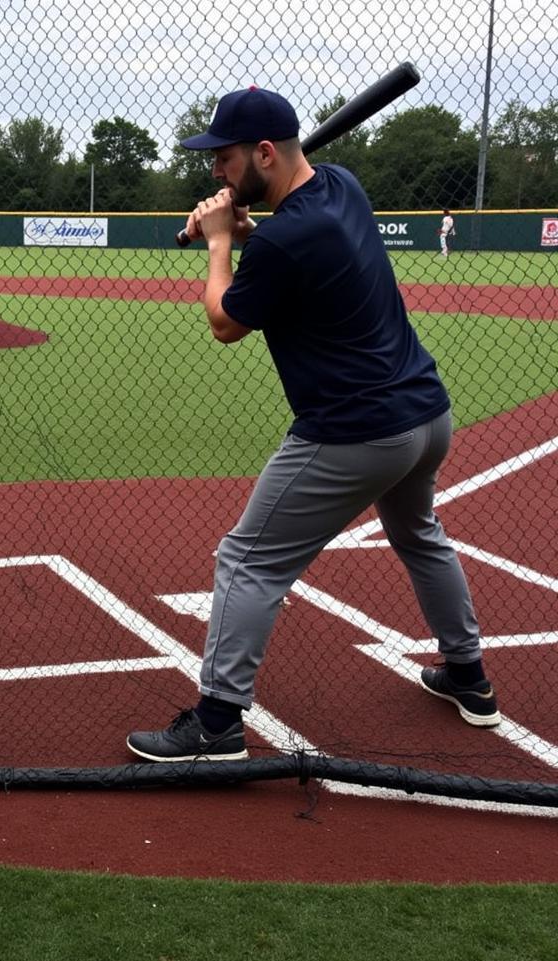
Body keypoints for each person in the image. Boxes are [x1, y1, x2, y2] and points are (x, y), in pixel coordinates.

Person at [126, 86, 499, 763]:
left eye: (226, 158)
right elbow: (299, 241)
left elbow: (225, 321)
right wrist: (244, 230)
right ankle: (470, 676)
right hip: (426, 415)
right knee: (419, 533)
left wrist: (218, 246)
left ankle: (216, 722)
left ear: (264, 154)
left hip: (356, 431)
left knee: (245, 560)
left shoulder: (286, 241)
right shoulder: (342, 186)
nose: (215, 171)